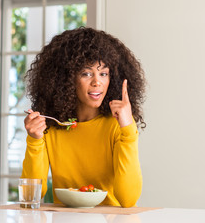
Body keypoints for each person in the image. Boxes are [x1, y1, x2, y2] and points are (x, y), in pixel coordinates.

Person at [21, 26, 146, 208]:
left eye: (103, 74)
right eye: (86, 73)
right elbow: (32, 196)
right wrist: (34, 141)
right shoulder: (51, 127)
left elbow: (128, 200)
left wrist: (128, 130)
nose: (97, 82)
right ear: (67, 79)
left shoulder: (117, 126)